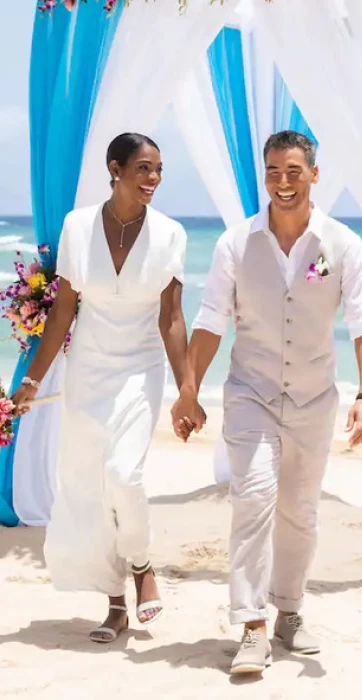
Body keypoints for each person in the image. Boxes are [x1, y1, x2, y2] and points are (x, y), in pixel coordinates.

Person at [171, 130, 362, 675]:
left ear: (315, 174)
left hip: (316, 398)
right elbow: (211, 321)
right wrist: (189, 391)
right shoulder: (235, 243)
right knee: (254, 499)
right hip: (251, 393)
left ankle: (289, 610)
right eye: (272, 171)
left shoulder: (343, 244)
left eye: (293, 170)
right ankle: (251, 626)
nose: (282, 182)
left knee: (301, 512)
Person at [11, 133, 188, 644]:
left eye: (158, 170)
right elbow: (63, 311)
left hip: (140, 368)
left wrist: (187, 389)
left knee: (123, 475)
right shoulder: (77, 226)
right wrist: (30, 380)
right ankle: (115, 604)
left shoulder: (171, 234)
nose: (153, 179)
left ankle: (142, 566)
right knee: (89, 488)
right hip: (87, 369)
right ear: (116, 169)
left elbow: (172, 318)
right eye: (144, 168)